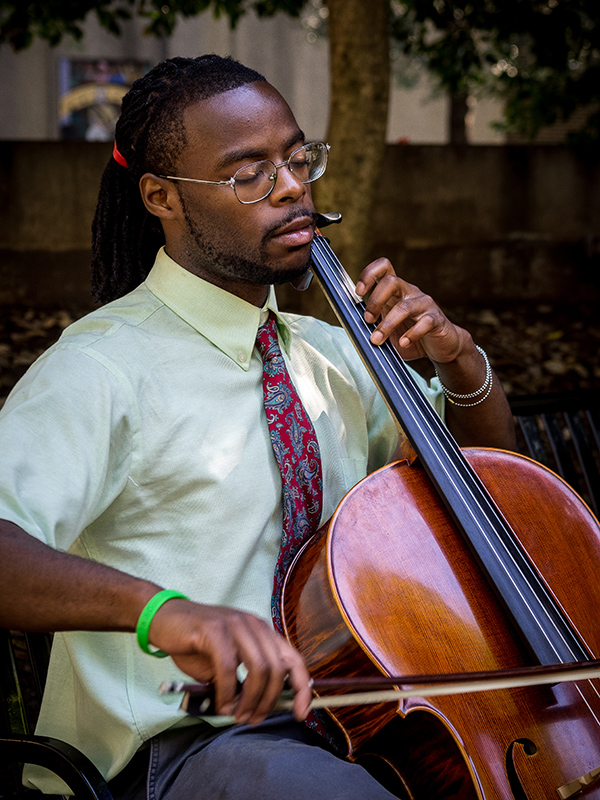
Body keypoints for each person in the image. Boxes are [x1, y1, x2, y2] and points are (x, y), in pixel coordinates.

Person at [0, 54, 516, 800]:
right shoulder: (100, 369)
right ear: (162, 196)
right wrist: (160, 612)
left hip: (363, 724)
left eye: (299, 160)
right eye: (249, 174)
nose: (293, 187)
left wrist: (461, 362)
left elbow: (493, 498)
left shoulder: (338, 354)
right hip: (181, 752)